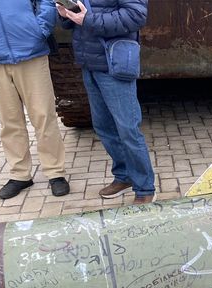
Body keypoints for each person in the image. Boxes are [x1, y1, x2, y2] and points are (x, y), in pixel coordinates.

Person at [57, 0, 156, 204]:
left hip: (114, 63)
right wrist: (66, 14)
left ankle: (145, 188)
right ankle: (124, 175)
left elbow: (135, 15)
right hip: (89, 63)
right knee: (104, 127)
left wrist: (88, 20)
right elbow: (79, 18)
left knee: (128, 129)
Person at [0, 0, 70, 199]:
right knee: (9, 121)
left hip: (31, 53)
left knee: (44, 116)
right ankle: (20, 174)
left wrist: (39, 31)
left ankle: (55, 172)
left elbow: (47, 2)